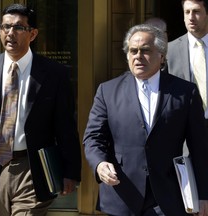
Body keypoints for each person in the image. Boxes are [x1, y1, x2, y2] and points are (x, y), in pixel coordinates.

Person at [0, 3, 81, 216]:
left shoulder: (54, 73)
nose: (10, 33)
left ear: (32, 34)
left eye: (18, 28)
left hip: (32, 168)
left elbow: (65, 126)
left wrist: (71, 171)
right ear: (0, 31)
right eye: (6, 27)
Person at [83, 24, 208, 216]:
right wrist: (100, 164)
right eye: (133, 51)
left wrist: (203, 195)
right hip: (123, 195)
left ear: (162, 56)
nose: (138, 56)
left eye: (145, 51)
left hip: (168, 196)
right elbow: (93, 138)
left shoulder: (185, 92)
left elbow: (200, 147)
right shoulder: (107, 91)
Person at [167, 0, 208, 127]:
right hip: (184, 130)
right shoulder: (169, 51)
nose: (190, 17)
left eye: (196, 12)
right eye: (187, 12)